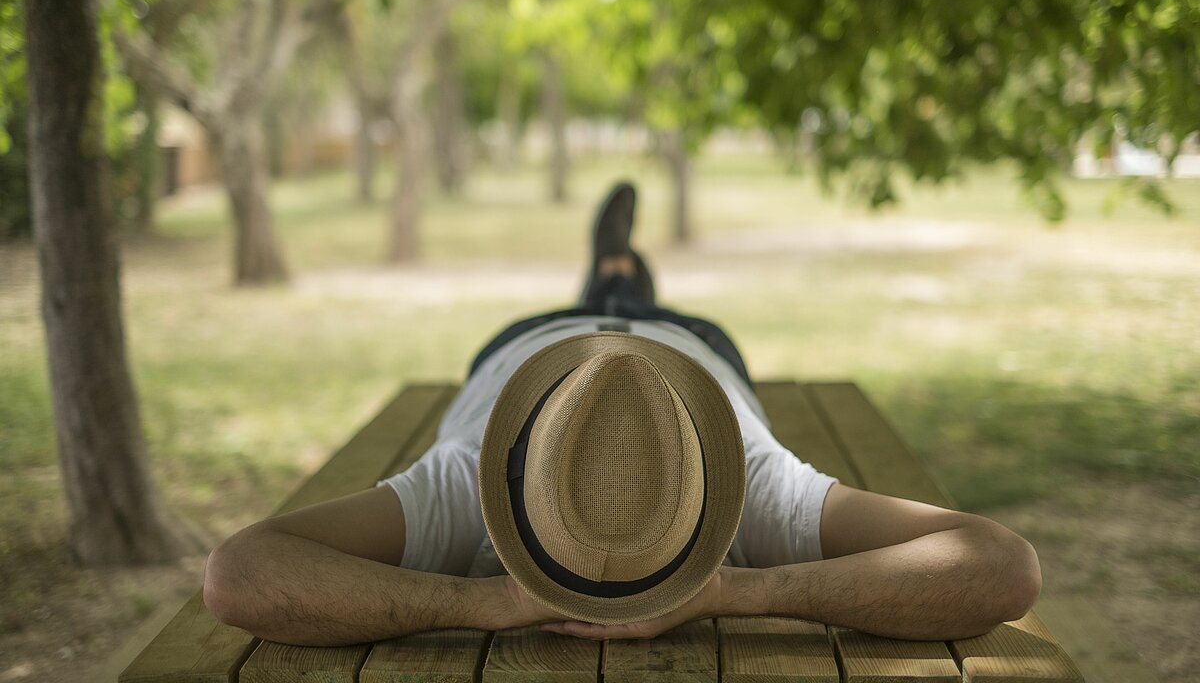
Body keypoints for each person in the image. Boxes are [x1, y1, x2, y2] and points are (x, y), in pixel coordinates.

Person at [202, 182, 1041, 646]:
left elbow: (1003, 569)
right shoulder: (476, 478)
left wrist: (729, 592)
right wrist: (487, 605)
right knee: (626, 293)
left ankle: (613, 267)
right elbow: (236, 575)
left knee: (614, 293)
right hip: (619, 351)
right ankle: (618, 267)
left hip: (596, 351)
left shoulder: (745, 478)